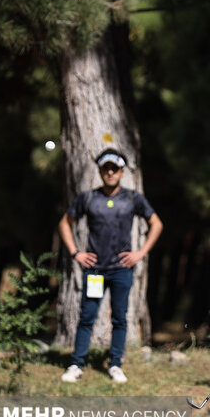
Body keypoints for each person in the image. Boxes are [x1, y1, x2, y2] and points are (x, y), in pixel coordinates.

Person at [59, 147, 163, 384]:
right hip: (95, 270)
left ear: (121, 171)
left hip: (121, 270)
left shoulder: (133, 198)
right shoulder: (88, 198)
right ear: (100, 171)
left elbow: (156, 223)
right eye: (105, 168)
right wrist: (76, 253)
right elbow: (65, 223)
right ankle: (77, 363)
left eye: (114, 168)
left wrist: (141, 253)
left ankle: (115, 364)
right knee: (87, 317)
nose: (109, 172)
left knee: (120, 318)